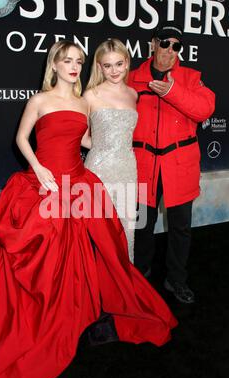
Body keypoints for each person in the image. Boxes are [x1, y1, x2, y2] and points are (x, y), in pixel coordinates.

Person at [0, 41, 177, 378]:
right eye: (67, 60)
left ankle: (83, 303)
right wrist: (38, 170)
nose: (73, 66)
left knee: (93, 246)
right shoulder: (39, 99)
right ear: (54, 64)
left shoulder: (85, 101)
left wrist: (111, 148)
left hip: (79, 179)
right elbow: (22, 138)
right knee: (37, 252)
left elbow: (85, 138)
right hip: (45, 183)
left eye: (79, 62)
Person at [128, 21, 216, 304]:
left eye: (176, 46)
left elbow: (204, 109)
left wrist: (170, 91)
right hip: (144, 164)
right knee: (142, 226)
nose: (169, 50)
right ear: (153, 44)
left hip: (179, 166)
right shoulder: (132, 78)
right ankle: (140, 274)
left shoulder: (191, 77)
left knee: (180, 227)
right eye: (164, 43)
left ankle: (176, 279)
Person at [82, 39, 138, 263]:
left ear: (126, 63)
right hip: (98, 170)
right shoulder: (90, 95)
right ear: (99, 67)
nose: (114, 70)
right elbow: (79, 136)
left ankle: (124, 284)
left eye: (118, 64)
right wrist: (103, 149)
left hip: (127, 169)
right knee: (97, 230)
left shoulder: (134, 94)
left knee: (127, 228)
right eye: (107, 65)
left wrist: (117, 150)